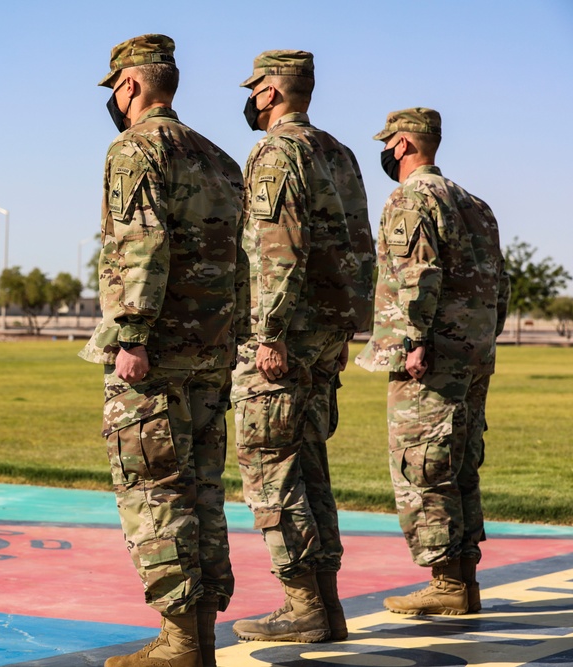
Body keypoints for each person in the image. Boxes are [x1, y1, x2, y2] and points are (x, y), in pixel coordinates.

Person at [79, 34, 248, 667]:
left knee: (152, 488)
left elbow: (140, 244)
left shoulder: (134, 149)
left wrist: (131, 335)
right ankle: (196, 639)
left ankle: (180, 643)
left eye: (115, 91)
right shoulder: (221, 160)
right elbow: (243, 262)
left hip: (155, 353)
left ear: (129, 86)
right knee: (203, 488)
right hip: (211, 351)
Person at [230, 50, 374, 644]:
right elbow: (363, 250)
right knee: (309, 466)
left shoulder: (276, 151)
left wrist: (269, 332)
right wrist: (343, 332)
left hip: (284, 338)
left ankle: (302, 604)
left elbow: (278, 248)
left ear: (268, 93)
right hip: (322, 336)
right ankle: (327, 606)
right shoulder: (338, 152)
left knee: (270, 465)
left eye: (254, 90)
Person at [356, 108, 509, 616]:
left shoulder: (410, 198)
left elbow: (417, 272)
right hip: (473, 351)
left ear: (401, 145)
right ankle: (463, 580)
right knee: (461, 463)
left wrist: (415, 339)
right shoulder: (476, 204)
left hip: (432, 354)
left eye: (388, 145)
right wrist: (483, 338)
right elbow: (499, 283)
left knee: (424, 464)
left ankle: (445, 584)